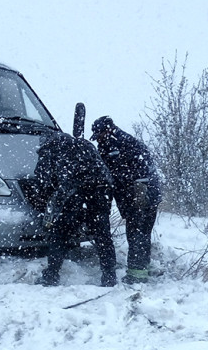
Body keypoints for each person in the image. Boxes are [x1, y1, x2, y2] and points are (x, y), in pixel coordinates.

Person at [30, 131, 116, 287]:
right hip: (102, 190)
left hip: (77, 191)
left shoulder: (49, 149)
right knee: (102, 234)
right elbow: (103, 171)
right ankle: (110, 276)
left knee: (60, 233)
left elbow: (44, 180)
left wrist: (43, 200)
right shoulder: (85, 144)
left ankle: (51, 275)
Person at [91, 116, 162, 284]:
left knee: (136, 232)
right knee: (142, 232)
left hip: (141, 196)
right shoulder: (119, 142)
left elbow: (120, 174)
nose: (98, 140)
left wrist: (137, 195)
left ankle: (136, 275)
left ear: (107, 131)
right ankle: (143, 267)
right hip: (147, 195)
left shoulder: (118, 144)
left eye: (99, 136)